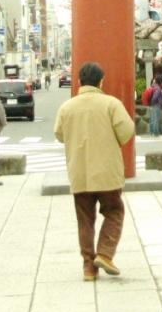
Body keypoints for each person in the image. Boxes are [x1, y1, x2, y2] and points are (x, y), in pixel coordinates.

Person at [54, 61, 136, 281]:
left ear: (79, 81)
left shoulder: (67, 107)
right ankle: (105, 254)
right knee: (114, 211)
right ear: (101, 81)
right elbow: (127, 130)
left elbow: (59, 134)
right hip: (107, 171)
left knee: (85, 219)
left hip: (79, 171)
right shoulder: (111, 104)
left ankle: (88, 267)